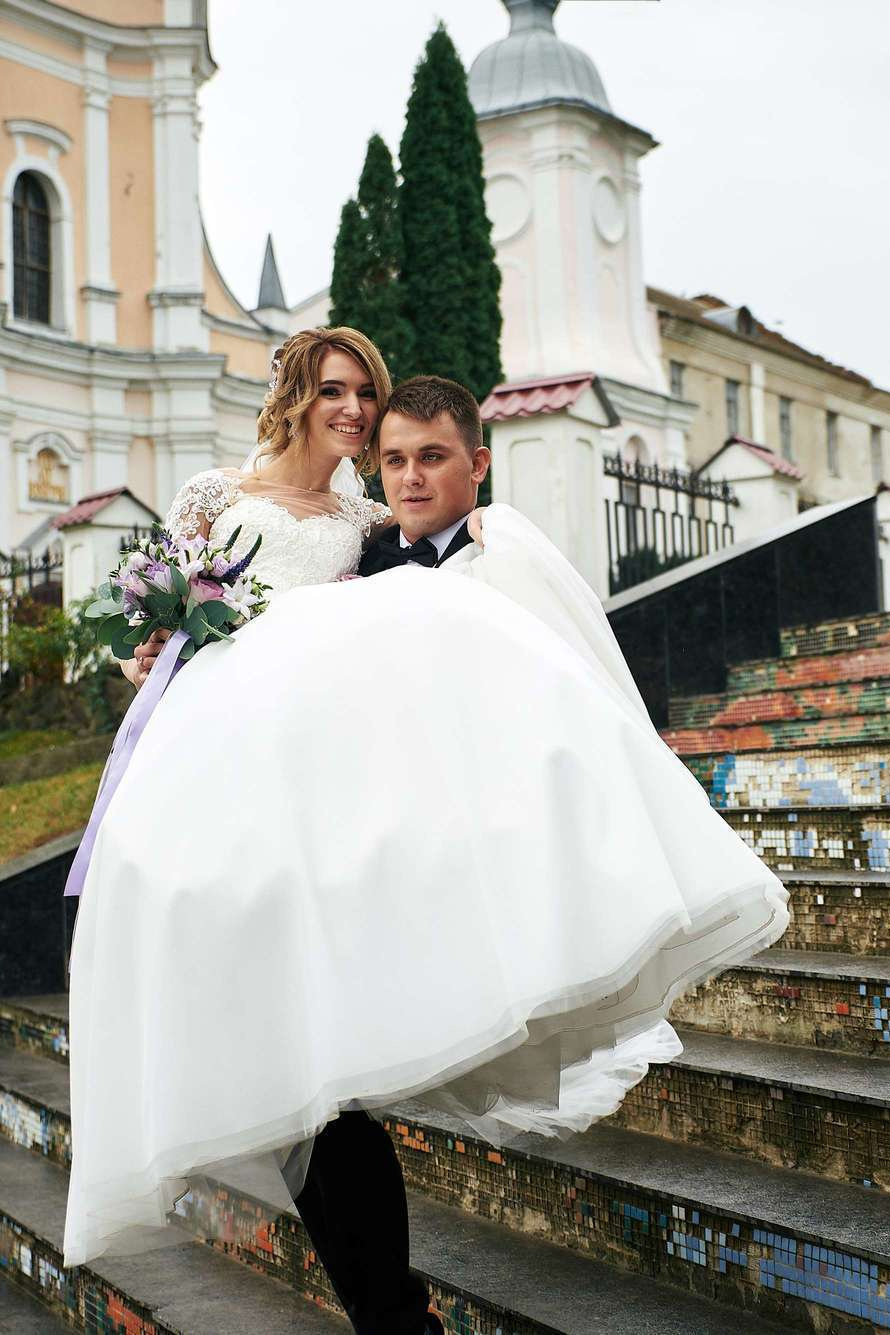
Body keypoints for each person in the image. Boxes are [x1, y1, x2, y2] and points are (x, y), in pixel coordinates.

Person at [62, 329, 789, 1335]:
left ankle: (393, 1318)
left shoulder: (369, 525)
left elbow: (400, 630)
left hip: (319, 798)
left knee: (321, 1078)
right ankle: (393, 1314)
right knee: (287, 1061)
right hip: (226, 786)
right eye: (333, 390)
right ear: (292, 395)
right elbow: (178, 624)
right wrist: (153, 658)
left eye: (365, 392)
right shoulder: (211, 497)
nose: (354, 410)